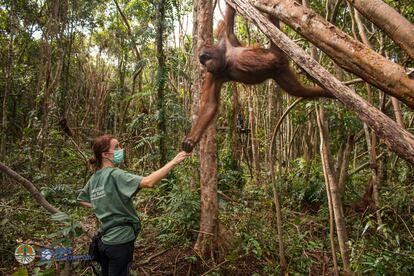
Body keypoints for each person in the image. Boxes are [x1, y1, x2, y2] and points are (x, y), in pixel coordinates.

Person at [77, 134, 190, 276]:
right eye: (116, 147)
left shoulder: (94, 178)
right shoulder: (114, 174)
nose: (121, 149)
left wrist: (102, 205)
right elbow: (148, 182)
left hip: (104, 242)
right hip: (120, 241)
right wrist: (174, 161)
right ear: (105, 154)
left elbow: (82, 199)